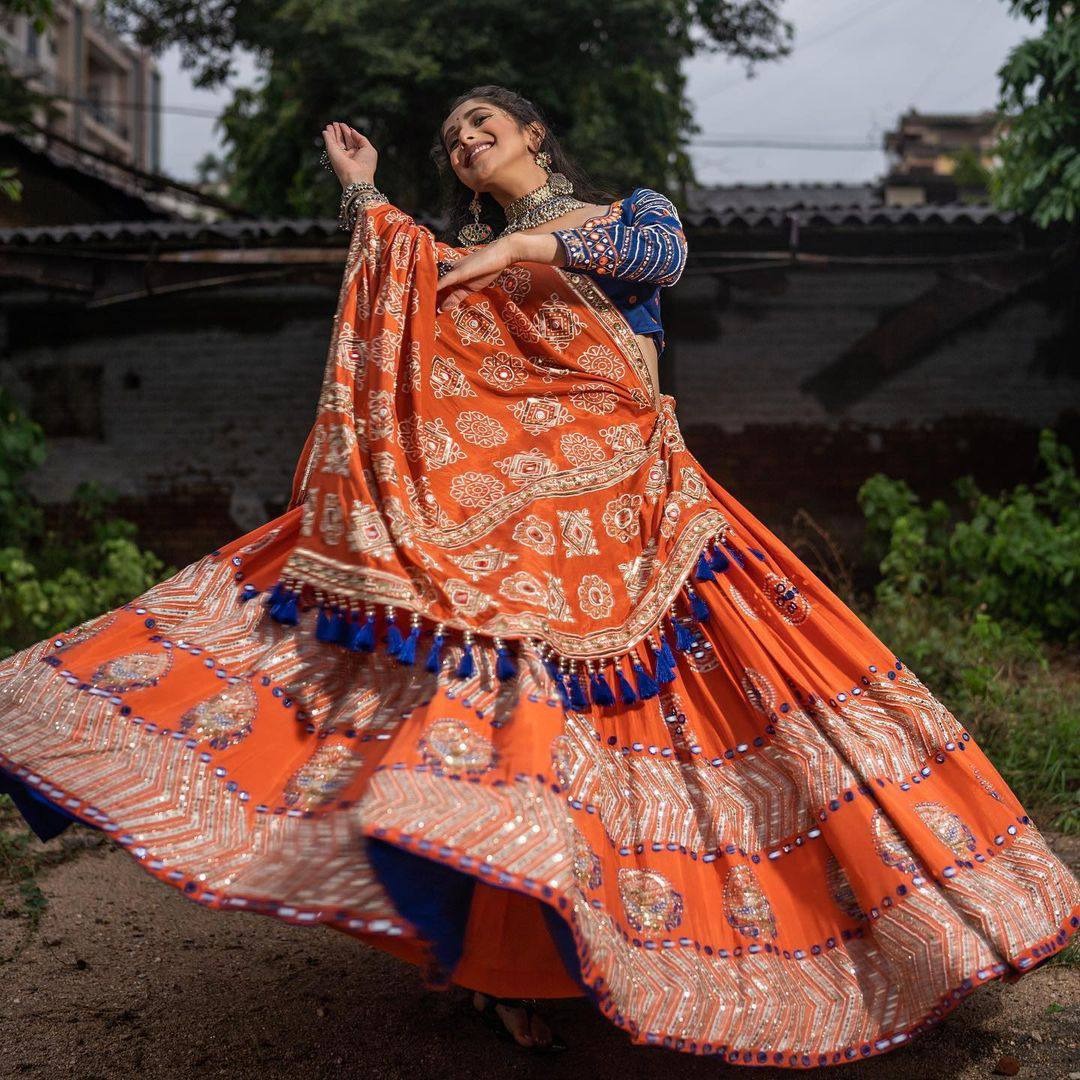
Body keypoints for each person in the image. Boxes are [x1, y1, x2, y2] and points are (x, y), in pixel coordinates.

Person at [0, 83, 1077, 1067]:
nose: (465, 141)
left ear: (533, 134)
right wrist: (366, 194)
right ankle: (503, 966)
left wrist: (526, 250)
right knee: (505, 723)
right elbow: (404, 339)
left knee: (739, 704)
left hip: (642, 502)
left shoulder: (625, 213)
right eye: (452, 138)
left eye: (483, 123)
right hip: (513, 523)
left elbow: (663, 258)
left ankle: (865, 927)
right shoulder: (455, 257)